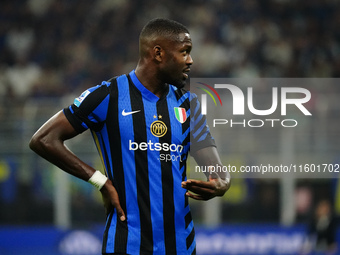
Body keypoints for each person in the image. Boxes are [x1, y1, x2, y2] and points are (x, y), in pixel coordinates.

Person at [29, 18, 230, 255]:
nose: (190, 60)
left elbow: (217, 170)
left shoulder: (189, 104)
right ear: (158, 53)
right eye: (184, 52)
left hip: (180, 245)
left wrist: (221, 184)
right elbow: (43, 139)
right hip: (126, 244)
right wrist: (100, 181)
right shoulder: (108, 96)